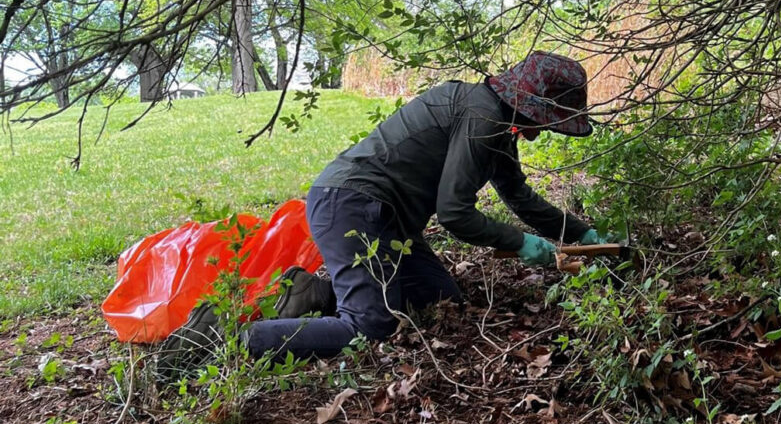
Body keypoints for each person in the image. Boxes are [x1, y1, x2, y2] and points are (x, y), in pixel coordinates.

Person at [165, 51, 609, 366]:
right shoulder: (482, 115)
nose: (541, 133)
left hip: (386, 220)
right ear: (530, 106)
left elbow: (518, 196)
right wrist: (522, 243)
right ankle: (228, 340)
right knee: (369, 326)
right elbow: (454, 213)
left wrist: (581, 234)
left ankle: (313, 293)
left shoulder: (493, 118)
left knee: (438, 299)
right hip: (353, 206)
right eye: (546, 122)